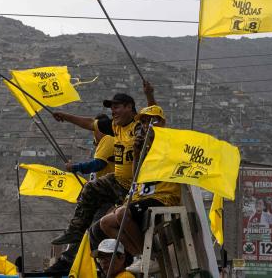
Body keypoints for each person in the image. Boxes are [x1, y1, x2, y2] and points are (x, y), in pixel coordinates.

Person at [50, 81, 156, 247]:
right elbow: (89, 123)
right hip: (117, 181)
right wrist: (65, 116)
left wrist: (149, 95)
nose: (113, 112)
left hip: (136, 187)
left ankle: (135, 250)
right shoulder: (115, 126)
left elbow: (153, 117)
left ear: (129, 107)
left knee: (121, 222)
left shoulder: (138, 126)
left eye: (117, 107)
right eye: (111, 108)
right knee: (90, 189)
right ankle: (75, 231)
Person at [97, 105, 181, 274]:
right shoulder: (144, 147)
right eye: (143, 121)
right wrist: (136, 153)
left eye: (152, 120)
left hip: (162, 196)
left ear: (162, 123)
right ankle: (140, 255)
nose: (147, 125)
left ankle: (148, 257)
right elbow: (137, 177)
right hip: (142, 196)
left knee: (122, 213)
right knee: (105, 223)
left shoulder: (169, 144)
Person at [44, 114, 115, 274]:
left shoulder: (109, 139)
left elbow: (97, 165)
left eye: (95, 130)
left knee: (91, 229)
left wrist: (75, 167)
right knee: (83, 229)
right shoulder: (103, 143)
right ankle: (69, 260)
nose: (93, 133)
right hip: (100, 195)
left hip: (108, 197)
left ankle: (72, 262)